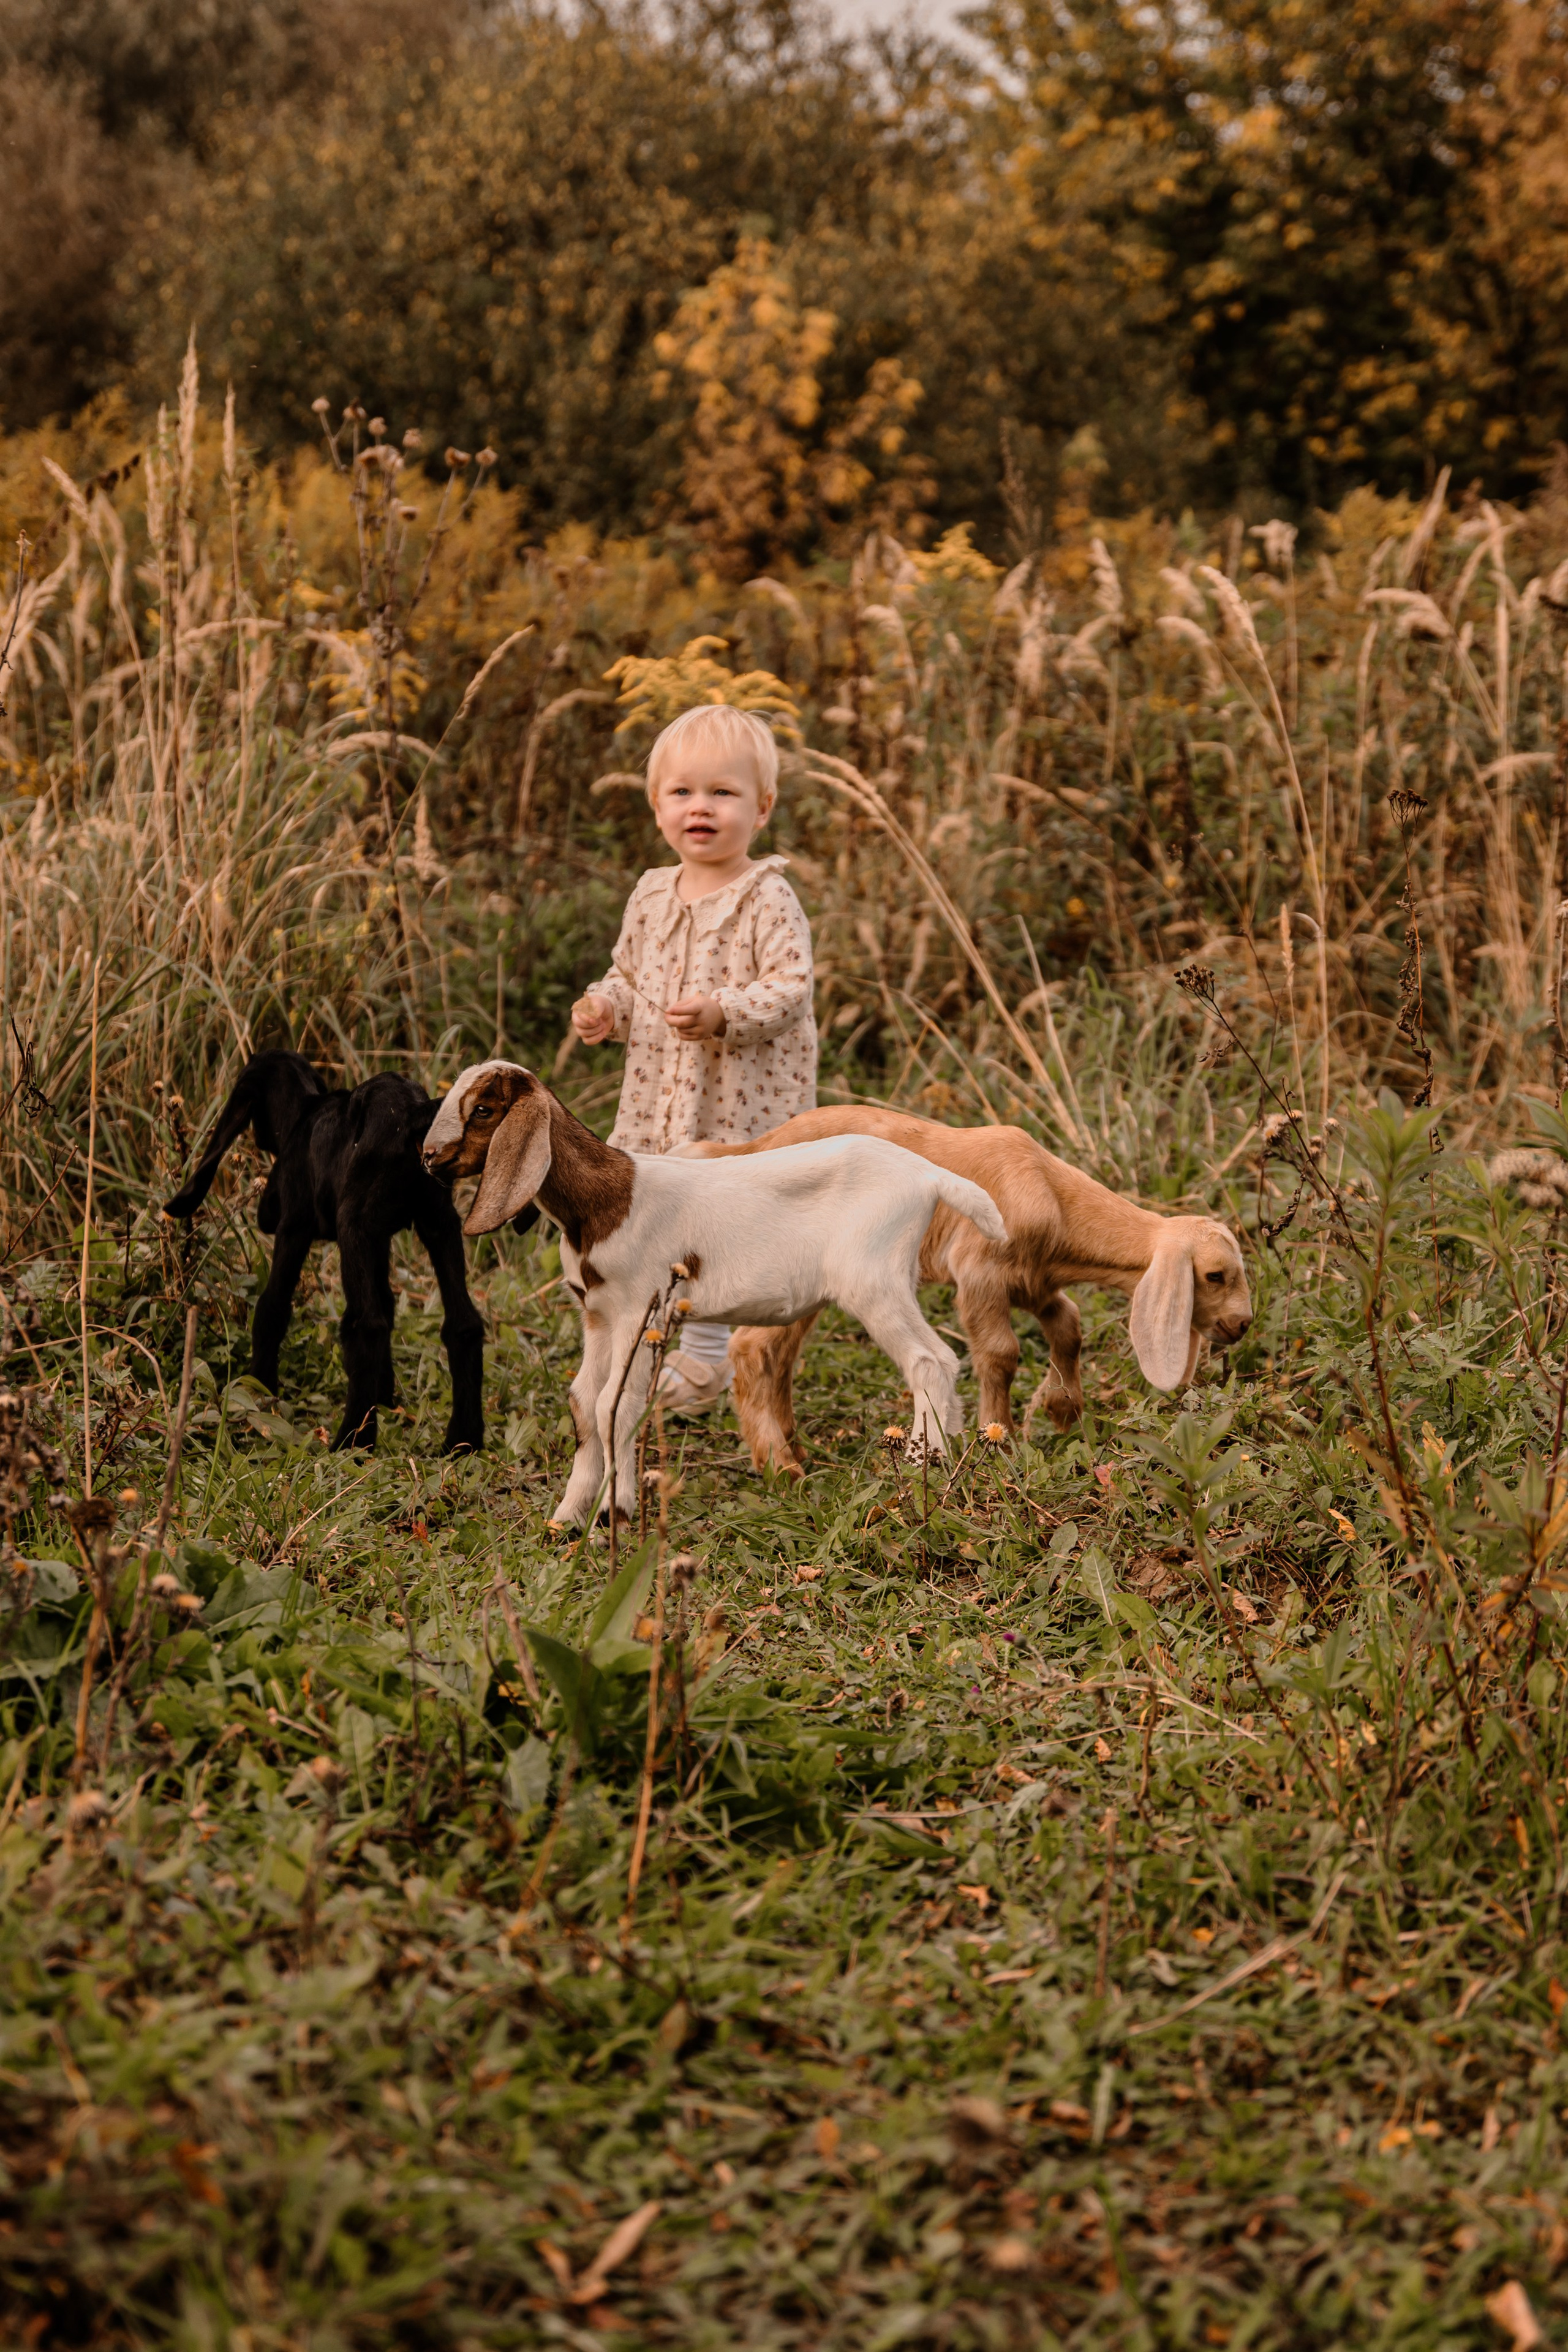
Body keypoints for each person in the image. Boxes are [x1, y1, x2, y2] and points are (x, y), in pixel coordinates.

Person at [570, 704, 816, 1411]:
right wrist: (605, 1007)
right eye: (681, 792)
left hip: (739, 1096)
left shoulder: (767, 896)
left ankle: (710, 1358)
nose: (699, 808)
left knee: (724, 1222)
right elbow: (628, 975)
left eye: (723, 793)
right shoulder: (650, 894)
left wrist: (723, 1012)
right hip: (660, 1098)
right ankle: (655, 1346)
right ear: (656, 805)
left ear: (762, 807)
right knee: (661, 1213)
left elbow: (791, 989)